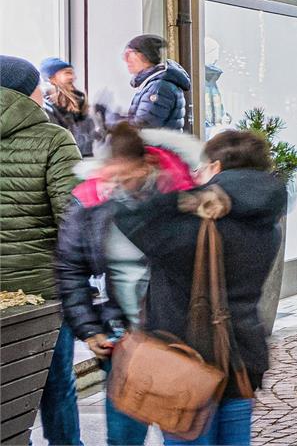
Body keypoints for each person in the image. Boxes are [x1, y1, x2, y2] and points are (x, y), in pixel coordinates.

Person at [114, 127, 289, 446]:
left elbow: (132, 219)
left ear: (217, 169)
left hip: (189, 362)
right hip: (242, 360)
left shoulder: (197, 225)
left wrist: (178, 193)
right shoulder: (267, 222)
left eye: (203, 167)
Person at [55, 121, 199, 445]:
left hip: (174, 339)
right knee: (123, 438)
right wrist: (90, 329)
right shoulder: (90, 204)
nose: (118, 183)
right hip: (121, 343)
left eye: (126, 174)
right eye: (111, 174)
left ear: (145, 164)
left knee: (181, 436)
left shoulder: (178, 199)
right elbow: (70, 267)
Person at [2, 54, 83, 446]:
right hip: (41, 291)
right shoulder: (52, 139)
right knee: (56, 385)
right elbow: (74, 215)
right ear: (26, 91)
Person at [123, 35, 190, 131]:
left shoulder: (159, 88)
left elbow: (146, 125)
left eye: (129, 54)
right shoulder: (152, 84)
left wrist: (113, 122)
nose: (126, 60)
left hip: (158, 145)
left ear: (145, 56)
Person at [41, 58, 95, 157]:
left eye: (72, 73)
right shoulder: (47, 110)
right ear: (52, 78)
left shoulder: (80, 103)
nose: (73, 77)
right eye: (67, 73)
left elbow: (90, 139)